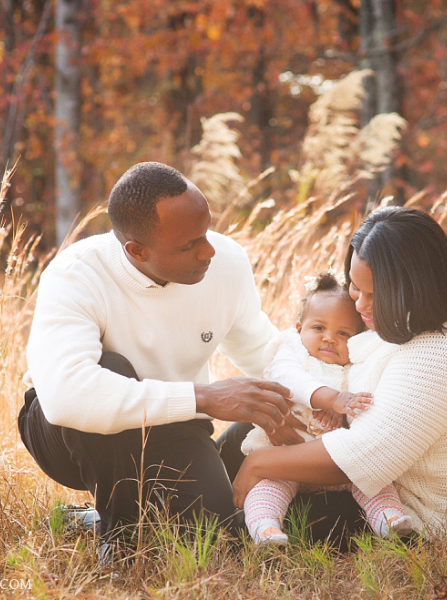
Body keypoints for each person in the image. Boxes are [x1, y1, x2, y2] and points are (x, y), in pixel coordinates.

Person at [17, 162, 300, 549]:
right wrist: (205, 397)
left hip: (174, 424)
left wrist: (321, 397)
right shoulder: (76, 275)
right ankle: (119, 540)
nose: (208, 251)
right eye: (189, 245)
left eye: (206, 231)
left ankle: (90, 520)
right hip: (69, 435)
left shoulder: (226, 262)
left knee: (213, 534)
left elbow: (262, 350)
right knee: (109, 367)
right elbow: (68, 397)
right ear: (136, 250)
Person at [231, 207, 447, 541]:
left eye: (375, 294)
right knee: (251, 428)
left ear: (416, 285)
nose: (359, 306)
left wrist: (260, 464)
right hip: (375, 483)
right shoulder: (403, 323)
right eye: (355, 288)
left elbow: (364, 456)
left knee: (237, 522)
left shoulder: (444, 349)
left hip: (429, 517)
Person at [240, 273, 414, 546]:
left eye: (343, 333)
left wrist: (343, 412)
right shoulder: (292, 353)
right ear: (299, 329)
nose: (329, 339)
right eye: (318, 328)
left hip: (335, 466)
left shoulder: (356, 366)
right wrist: (331, 399)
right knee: (267, 489)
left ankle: (389, 520)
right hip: (286, 460)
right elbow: (288, 379)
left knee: (372, 481)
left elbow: (365, 407)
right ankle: (266, 528)